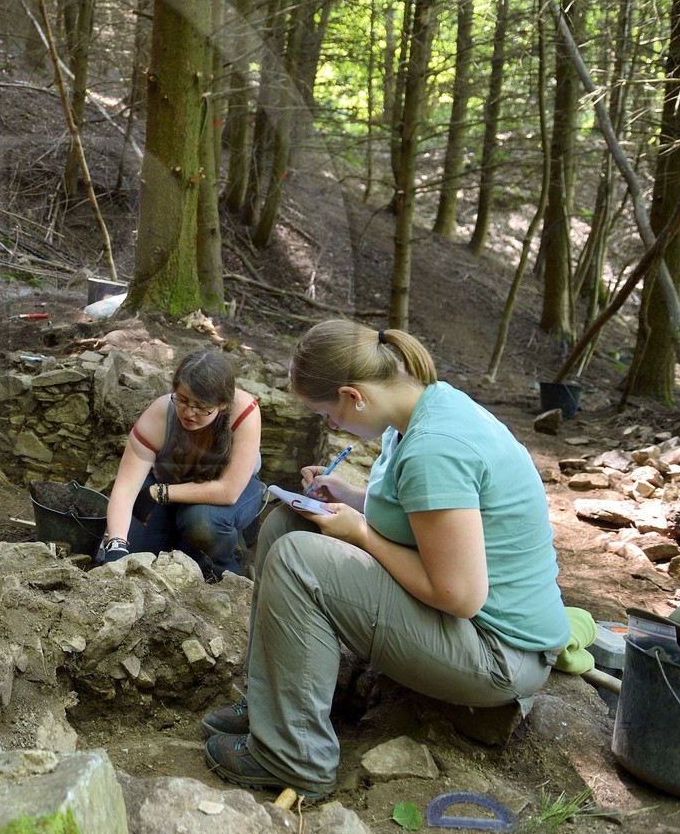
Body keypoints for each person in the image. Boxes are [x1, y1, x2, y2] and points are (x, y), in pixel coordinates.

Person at [201, 320, 569, 800]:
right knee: (285, 526)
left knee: (299, 559)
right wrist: (351, 497)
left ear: (353, 396)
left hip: (499, 653)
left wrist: (363, 534)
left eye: (326, 414)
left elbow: (458, 595)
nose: (331, 426)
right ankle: (271, 705)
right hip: (470, 625)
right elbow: (424, 516)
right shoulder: (421, 410)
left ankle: (293, 759)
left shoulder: (434, 448)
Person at [95, 350, 263, 579]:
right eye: (182, 400)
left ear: (223, 403)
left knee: (201, 522)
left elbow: (228, 491)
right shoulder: (159, 415)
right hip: (170, 483)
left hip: (225, 495)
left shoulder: (244, 412)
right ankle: (177, 540)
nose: (189, 413)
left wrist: (159, 492)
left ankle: (225, 569)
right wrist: (116, 543)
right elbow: (125, 490)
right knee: (131, 558)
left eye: (201, 406)